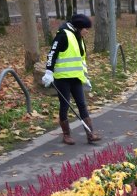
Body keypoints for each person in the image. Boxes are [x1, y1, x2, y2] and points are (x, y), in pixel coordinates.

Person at [42, 14, 101, 145]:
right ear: (78, 27)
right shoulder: (63, 35)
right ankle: (66, 135)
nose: (87, 31)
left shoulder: (79, 37)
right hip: (62, 78)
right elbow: (52, 54)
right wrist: (49, 72)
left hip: (76, 78)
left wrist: (85, 77)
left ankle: (90, 134)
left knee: (82, 104)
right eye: (86, 28)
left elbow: (80, 59)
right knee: (65, 105)